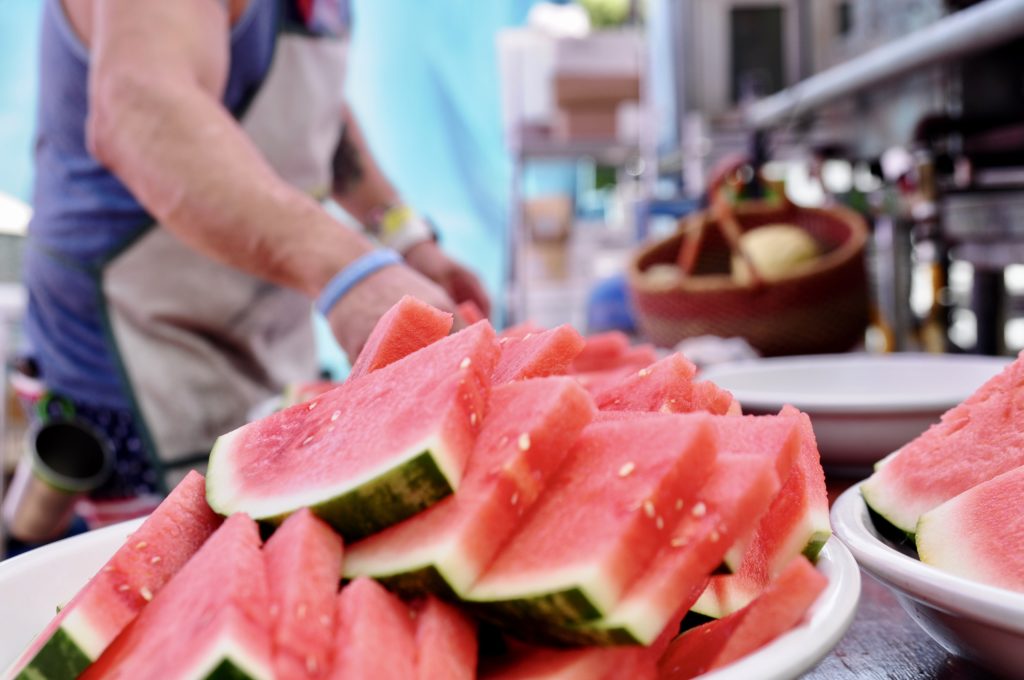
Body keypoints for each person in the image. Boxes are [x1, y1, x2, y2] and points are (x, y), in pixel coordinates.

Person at [17, 0, 490, 534]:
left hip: (259, 347)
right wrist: (350, 269)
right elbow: (142, 109)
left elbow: (317, 116)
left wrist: (407, 238)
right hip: (135, 366)